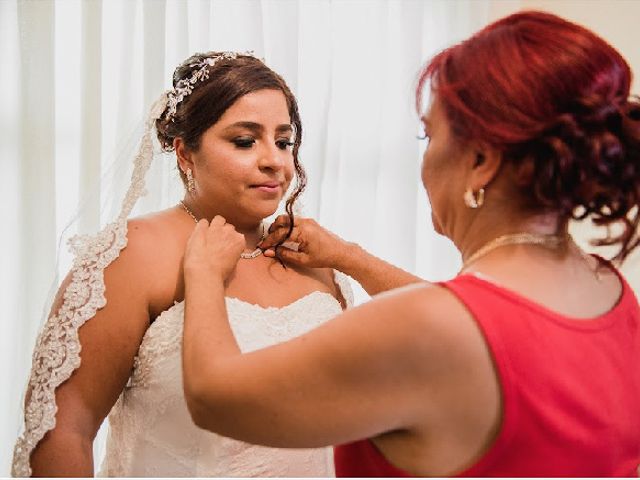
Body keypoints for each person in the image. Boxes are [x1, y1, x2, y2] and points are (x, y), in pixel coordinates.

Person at [180, 11, 640, 477]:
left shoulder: (431, 329)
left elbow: (213, 398)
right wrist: (348, 257)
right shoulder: (610, 291)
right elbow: (487, 325)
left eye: (429, 134)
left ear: (480, 161)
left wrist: (202, 276)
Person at [12, 51, 351, 477]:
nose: (275, 161)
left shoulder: (317, 260)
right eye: (245, 141)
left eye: (283, 141)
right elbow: (63, 428)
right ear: (184, 153)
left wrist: (349, 257)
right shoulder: (131, 254)